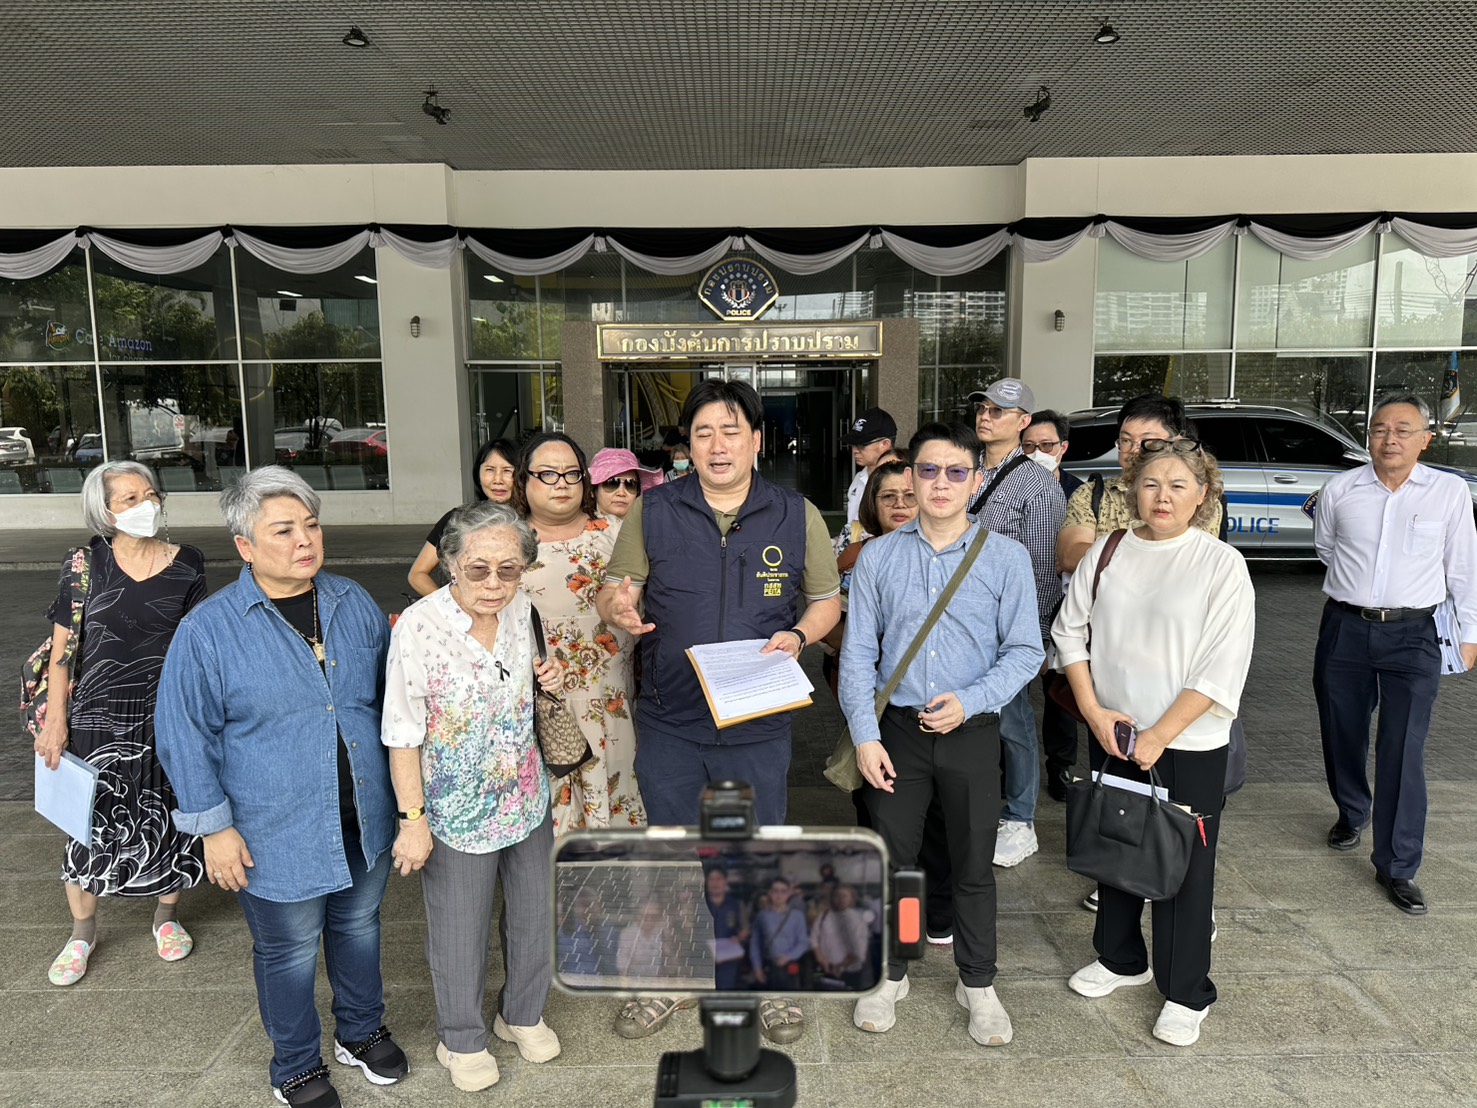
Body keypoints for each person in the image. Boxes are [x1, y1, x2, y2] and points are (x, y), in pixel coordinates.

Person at [596, 378, 841, 1045]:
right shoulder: (654, 510)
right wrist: (618, 608)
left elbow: (826, 600)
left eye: (731, 431)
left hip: (755, 722)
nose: (717, 445)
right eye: (703, 432)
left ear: (757, 440)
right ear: (688, 445)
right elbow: (618, 588)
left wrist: (799, 635)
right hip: (671, 719)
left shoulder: (796, 514)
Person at [156, 467, 407, 1108]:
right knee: (288, 949)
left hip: (363, 814)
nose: (305, 540)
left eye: (312, 525)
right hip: (273, 827)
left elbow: (395, 701)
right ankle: (294, 1064)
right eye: (285, 530)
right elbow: (184, 735)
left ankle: (360, 1030)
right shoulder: (209, 630)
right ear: (245, 545)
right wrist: (213, 829)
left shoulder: (352, 603)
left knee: (359, 927)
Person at [841, 421, 1043, 1048]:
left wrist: (972, 700)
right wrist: (865, 736)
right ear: (911, 476)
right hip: (897, 734)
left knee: (972, 865)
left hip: (970, 732)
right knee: (894, 862)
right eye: (928, 470)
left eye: (957, 472)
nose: (941, 483)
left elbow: (1025, 651)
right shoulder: (879, 556)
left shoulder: (1004, 557)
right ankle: (892, 971)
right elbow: (858, 656)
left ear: (975, 481)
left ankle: (977, 982)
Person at [1053, 441, 1254, 1047]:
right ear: (1133, 491)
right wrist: (1094, 713)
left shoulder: (1220, 564)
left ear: (1203, 495)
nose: (1162, 496)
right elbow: (1069, 633)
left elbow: (1221, 668)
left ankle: (1186, 990)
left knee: (1183, 865)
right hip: (1112, 732)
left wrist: (1160, 736)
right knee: (1115, 845)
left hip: (1188, 742)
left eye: (1178, 485)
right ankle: (1120, 958)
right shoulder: (1109, 551)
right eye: (1150, 484)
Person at [382, 500, 564, 1092]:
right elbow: (402, 733)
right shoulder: (418, 627)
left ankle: (521, 1014)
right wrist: (413, 820)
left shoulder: (523, 610)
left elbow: (533, 681)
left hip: (525, 794)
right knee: (459, 931)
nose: (493, 584)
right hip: (455, 809)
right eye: (477, 569)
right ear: (451, 564)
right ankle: (460, 1038)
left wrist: (552, 674)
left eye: (508, 570)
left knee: (534, 915)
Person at [33, 461, 206, 987]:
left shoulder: (188, 562)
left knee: (169, 813)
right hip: (95, 715)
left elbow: (197, 642)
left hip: (165, 713)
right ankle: (82, 933)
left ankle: (166, 916)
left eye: (150, 494)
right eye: (129, 498)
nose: (145, 504)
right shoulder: (83, 563)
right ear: (104, 510)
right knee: (86, 822)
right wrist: (55, 721)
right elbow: (62, 652)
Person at [1312, 392, 1477, 916]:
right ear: (1369, 437)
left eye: (1403, 430)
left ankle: (1398, 865)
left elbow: (1463, 566)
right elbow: (1327, 549)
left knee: (1403, 746)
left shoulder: (1448, 491)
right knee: (1342, 730)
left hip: (1415, 633)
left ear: (1425, 439)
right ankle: (1351, 811)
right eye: (1381, 429)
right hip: (1345, 627)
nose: (1390, 439)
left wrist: (1471, 633)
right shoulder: (1340, 490)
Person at [516, 432, 647, 834]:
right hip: (538, 704)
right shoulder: (506, 540)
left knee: (618, 804)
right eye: (547, 474)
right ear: (524, 480)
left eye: (571, 473)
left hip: (611, 700)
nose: (561, 484)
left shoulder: (618, 534)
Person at [965, 379, 1066, 870]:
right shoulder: (962, 469)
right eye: (982, 409)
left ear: (1024, 421)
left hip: (1008, 625)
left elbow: (1044, 568)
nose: (986, 417)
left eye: (999, 411)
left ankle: (1021, 818)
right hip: (958, 622)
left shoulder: (1038, 484)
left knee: (1012, 720)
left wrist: (1038, 636)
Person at [1056, 394, 1222, 575]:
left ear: (1176, 442)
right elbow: (1070, 557)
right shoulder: (1091, 494)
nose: (1134, 450)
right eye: (1126, 440)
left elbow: (1198, 561)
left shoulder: (1197, 498)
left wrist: (1108, 556)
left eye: (1147, 441)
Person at [1024, 409, 1083, 802]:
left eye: (1046, 445)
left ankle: (1060, 767)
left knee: (1060, 692)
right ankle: (1006, 769)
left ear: (1063, 447)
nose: (1037, 453)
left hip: (1064, 607)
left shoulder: (1080, 494)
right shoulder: (1010, 485)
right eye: (1028, 446)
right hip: (1018, 604)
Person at [823, 458, 918, 699]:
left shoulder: (945, 556)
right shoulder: (855, 556)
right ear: (873, 503)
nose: (899, 504)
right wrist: (869, 653)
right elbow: (828, 620)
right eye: (888, 496)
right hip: (867, 683)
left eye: (910, 496)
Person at [408, 438, 518, 597]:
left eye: (507, 471)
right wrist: (453, 605)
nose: (497, 480)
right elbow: (418, 574)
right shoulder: (458, 520)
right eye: (489, 470)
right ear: (478, 473)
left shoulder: (535, 520)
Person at [838, 407, 899, 549]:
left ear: (885, 444)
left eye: (862, 445)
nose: (855, 450)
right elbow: (853, 527)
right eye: (853, 444)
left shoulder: (903, 482)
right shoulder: (859, 478)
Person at [749, 878, 809, 993]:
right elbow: (755, 944)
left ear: (789, 894)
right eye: (775, 891)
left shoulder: (797, 916)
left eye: (783, 891)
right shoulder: (762, 916)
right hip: (769, 966)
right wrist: (757, 967)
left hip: (790, 966)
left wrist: (788, 956)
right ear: (770, 893)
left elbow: (803, 942)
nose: (779, 895)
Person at [811, 885, 872, 990]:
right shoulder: (824, 916)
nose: (840, 899)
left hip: (848, 972)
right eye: (837, 895)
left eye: (844, 896)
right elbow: (814, 939)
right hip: (824, 969)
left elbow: (859, 949)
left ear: (852, 899)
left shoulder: (858, 919)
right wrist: (822, 960)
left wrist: (841, 966)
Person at [589, 446, 663, 523]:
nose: (621, 493)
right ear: (592, 491)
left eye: (630, 484)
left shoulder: (652, 526)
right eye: (611, 483)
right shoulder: (582, 529)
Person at [705, 867, 749, 990]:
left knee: (726, 992)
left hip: (728, 958)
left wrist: (739, 938)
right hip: (704, 958)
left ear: (725, 882)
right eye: (711, 879)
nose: (715, 883)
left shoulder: (737, 904)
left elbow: (746, 929)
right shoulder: (699, 904)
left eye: (718, 879)